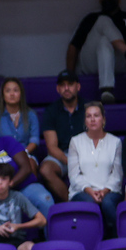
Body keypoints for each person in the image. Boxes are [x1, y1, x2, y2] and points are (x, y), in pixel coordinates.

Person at [67, 0, 126, 104]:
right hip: (93, 64)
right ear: (100, 1)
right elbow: (74, 46)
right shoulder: (92, 18)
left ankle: (107, 90)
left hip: (120, 64)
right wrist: (69, 76)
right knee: (103, 21)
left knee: (105, 41)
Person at [65, 101, 123, 236]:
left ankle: (118, 240)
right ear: (84, 120)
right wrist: (90, 190)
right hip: (82, 190)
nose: (92, 119)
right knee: (89, 203)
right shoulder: (75, 141)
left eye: (96, 115)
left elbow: (117, 175)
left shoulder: (115, 142)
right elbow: (74, 175)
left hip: (110, 190)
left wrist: (104, 191)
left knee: (108, 204)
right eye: (88, 116)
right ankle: (92, 244)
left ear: (103, 119)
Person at [40, 71, 86, 203]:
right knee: (46, 169)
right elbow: (52, 147)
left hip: (86, 153)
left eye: (70, 84)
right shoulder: (51, 111)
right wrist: (71, 162)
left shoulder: (89, 108)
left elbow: (96, 138)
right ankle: (72, 203)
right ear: (58, 89)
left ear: (78, 86)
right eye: (63, 85)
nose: (66, 88)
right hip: (62, 156)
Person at [0, 77, 40, 157]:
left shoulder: (31, 114)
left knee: (29, 165)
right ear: (3, 95)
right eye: (8, 91)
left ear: (21, 94)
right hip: (2, 156)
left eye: (15, 90)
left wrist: (23, 153)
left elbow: (35, 140)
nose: (12, 94)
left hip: (26, 154)